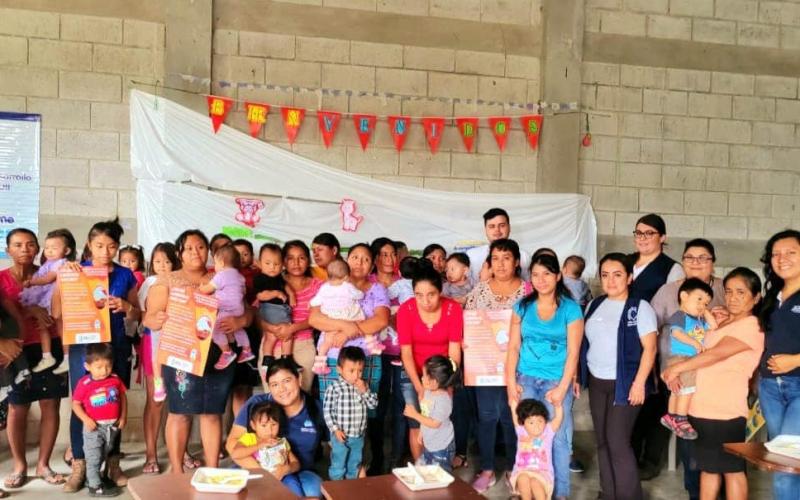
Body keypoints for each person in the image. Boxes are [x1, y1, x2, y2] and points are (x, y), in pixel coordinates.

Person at [143, 230, 251, 474]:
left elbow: (246, 311)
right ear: (179, 253)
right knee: (180, 413)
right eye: (189, 248)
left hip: (218, 356)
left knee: (212, 413)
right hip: (180, 354)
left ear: (209, 252)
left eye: (201, 247)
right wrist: (156, 318)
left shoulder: (222, 276)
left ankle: (212, 470)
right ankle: (178, 473)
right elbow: (148, 318)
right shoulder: (167, 281)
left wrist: (240, 321)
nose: (195, 252)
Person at [52, 219, 140, 492]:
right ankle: (80, 465)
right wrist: (62, 279)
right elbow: (56, 312)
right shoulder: (75, 271)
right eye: (99, 245)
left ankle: (112, 464)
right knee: (82, 403)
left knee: (114, 401)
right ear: (89, 244)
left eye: (111, 246)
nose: (105, 252)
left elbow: (138, 314)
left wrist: (126, 306)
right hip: (84, 349)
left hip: (116, 347)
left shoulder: (126, 275)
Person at [662, 268, 764, 500]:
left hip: (725, 411)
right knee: (708, 468)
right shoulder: (723, 323)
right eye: (728, 291)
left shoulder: (752, 326)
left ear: (756, 297)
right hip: (700, 407)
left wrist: (675, 368)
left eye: (741, 292)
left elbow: (714, 354)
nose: (732, 298)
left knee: (732, 470)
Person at [650, 238, 726, 497]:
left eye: (703, 257)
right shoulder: (667, 291)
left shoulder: (725, 290)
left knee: (717, 440)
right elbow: (653, 332)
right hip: (678, 372)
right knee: (688, 436)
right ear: (682, 262)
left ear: (713, 263)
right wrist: (665, 369)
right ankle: (695, 491)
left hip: (716, 379)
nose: (696, 263)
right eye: (689, 258)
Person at [578, 252, 657, 500]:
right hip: (597, 380)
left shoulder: (640, 307)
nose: (611, 281)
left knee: (618, 442)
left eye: (618, 275)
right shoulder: (595, 304)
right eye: (605, 275)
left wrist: (639, 384)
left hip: (625, 383)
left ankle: (629, 496)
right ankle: (608, 492)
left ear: (629, 277)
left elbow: (650, 349)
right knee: (601, 440)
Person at [505, 253, 584, 500]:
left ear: (558, 276)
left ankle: (559, 494)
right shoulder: (523, 306)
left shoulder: (571, 309)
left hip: (555, 382)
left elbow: (573, 353)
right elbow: (513, 347)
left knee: (558, 439)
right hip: (525, 377)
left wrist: (562, 388)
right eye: (536, 274)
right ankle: (526, 489)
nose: (541, 280)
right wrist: (510, 383)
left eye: (547, 274)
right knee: (527, 434)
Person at [309, 243, 390, 474]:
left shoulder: (376, 289)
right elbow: (315, 319)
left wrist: (346, 332)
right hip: (334, 360)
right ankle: (337, 469)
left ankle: (362, 467)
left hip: (365, 357)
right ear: (346, 260)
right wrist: (345, 325)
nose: (359, 263)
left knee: (365, 409)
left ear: (372, 264)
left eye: (366, 259)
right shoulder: (328, 286)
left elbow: (380, 321)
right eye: (355, 257)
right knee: (336, 410)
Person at [2, 228, 68, 492]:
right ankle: (19, 466)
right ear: (8, 250)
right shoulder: (1, 280)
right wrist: (28, 310)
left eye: (30, 244)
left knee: (50, 404)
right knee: (18, 407)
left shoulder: (50, 273)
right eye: (18, 245)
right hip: (16, 351)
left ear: (38, 248)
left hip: (49, 347)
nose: (25, 249)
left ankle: (43, 464)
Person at [464, 238, 530, 493]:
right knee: (487, 417)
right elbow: (468, 324)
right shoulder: (480, 291)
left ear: (516, 262)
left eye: (506, 258)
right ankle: (488, 468)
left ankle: (515, 468)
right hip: (485, 369)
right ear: (489, 263)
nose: (501, 264)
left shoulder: (528, 292)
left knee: (512, 417)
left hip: (520, 368)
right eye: (495, 259)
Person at [628, 213, 684, 480]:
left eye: (649, 233)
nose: (643, 238)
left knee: (656, 403)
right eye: (639, 233)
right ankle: (630, 455)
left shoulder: (671, 269)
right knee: (632, 402)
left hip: (657, 343)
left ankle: (651, 460)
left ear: (662, 237)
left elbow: (676, 310)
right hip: (628, 344)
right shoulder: (626, 263)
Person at [228, 358, 327, 497]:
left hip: (295, 472)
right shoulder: (258, 405)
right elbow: (232, 446)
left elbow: (337, 442)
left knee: (312, 491)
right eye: (274, 384)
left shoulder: (316, 408)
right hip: (253, 467)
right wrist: (265, 473)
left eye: (287, 381)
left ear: (298, 379)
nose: (282, 389)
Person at [397, 266, 463, 461]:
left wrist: (447, 384)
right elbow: (406, 353)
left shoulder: (453, 309)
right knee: (416, 423)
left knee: (439, 420)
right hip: (414, 374)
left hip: (442, 376)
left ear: (440, 290)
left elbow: (454, 351)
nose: (425, 301)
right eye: (419, 295)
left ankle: (439, 463)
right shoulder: (406, 310)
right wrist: (420, 387)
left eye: (431, 295)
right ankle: (421, 468)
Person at [757, 230, 800, 500]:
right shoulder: (772, 296)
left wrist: (795, 360)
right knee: (783, 461)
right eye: (776, 253)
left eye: (790, 252)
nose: (781, 258)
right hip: (769, 388)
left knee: (785, 465)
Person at [138, 242, 181, 475]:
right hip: (154, 344)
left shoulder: (184, 282)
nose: (162, 266)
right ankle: (151, 454)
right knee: (155, 401)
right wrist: (150, 319)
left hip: (180, 344)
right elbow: (143, 315)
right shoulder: (149, 283)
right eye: (157, 261)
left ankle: (181, 452)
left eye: (167, 261)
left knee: (181, 399)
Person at [261, 240, 322, 392]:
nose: (296, 263)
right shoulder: (271, 281)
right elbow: (257, 314)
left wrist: (292, 328)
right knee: (274, 399)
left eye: (301, 257)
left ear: (308, 260)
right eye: (290, 258)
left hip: (304, 347)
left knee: (300, 398)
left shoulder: (318, 286)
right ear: (283, 262)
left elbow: (320, 318)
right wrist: (272, 328)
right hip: (272, 346)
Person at [661, 279, 718, 440]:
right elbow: (676, 333)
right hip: (682, 358)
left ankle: (670, 416)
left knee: (677, 390)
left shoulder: (699, 320)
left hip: (686, 359)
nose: (702, 304)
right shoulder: (680, 315)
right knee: (688, 389)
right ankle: (681, 419)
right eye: (699, 299)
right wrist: (694, 342)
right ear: (684, 296)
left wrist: (705, 311)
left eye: (706, 302)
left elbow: (713, 326)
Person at [71, 343, 127, 498]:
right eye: (99, 367)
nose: (104, 371)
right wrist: (86, 419)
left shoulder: (115, 379)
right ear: (87, 366)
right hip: (94, 429)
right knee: (93, 457)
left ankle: (95, 478)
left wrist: (123, 416)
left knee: (103, 454)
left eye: (108, 366)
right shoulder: (84, 383)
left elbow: (122, 396)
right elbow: (75, 404)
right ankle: (94, 487)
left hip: (112, 427)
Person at [20, 229, 76, 375]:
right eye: (47, 248)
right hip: (44, 297)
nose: (49, 251)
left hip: (54, 297)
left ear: (67, 250)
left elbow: (48, 279)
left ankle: (67, 357)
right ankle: (47, 355)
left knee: (60, 326)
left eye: (54, 248)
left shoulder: (62, 263)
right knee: (42, 325)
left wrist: (32, 282)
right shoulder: (48, 263)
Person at [323, 346, 379, 480]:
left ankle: (351, 490)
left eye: (360, 370)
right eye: (352, 370)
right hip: (340, 436)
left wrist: (365, 391)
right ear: (339, 369)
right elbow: (327, 411)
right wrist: (335, 429)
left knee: (354, 465)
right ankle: (336, 490)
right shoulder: (335, 388)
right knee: (338, 464)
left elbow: (373, 405)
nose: (356, 375)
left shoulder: (363, 386)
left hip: (358, 436)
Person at [197, 243, 254, 369]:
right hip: (239, 309)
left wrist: (201, 287)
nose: (215, 267)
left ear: (221, 263)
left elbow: (207, 289)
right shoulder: (240, 276)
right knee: (237, 329)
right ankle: (247, 349)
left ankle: (226, 352)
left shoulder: (221, 275)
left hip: (225, 307)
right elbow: (243, 292)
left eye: (216, 263)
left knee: (214, 329)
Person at [231, 401, 303, 496]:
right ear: (253, 425)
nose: (269, 430)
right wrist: (259, 445)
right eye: (264, 425)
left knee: (293, 483)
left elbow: (296, 464)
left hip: (281, 476)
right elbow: (235, 454)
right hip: (257, 477)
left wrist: (286, 469)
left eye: (273, 425)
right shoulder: (250, 438)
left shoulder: (281, 442)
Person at [312, 260, 369, 375]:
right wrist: (361, 293)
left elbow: (315, 301)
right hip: (347, 316)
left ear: (328, 276)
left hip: (331, 319)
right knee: (362, 320)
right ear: (347, 277)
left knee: (326, 343)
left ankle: (319, 364)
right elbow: (359, 295)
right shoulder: (347, 286)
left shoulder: (324, 287)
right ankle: (372, 343)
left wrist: (310, 304)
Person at [403, 355, 458, 471]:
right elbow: (426, 413)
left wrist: (414, 415)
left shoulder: (443, 400)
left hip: (442, 448)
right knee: (427, 473)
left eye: (424, 376)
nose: (422, 378)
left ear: (434, 382)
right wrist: (422, 432)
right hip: (430, 444)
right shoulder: (428, 392)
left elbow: (434, 423)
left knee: (440, 477)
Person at [508, 398, 563, 500]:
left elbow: (558, 419)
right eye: (531, 422)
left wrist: (557, 405)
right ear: (523, 423)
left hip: (543, 473)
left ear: (545, 421)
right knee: (522, 478)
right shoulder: (521, 431)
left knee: (535, 482)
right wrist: (514, 402)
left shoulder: (548, 432)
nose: (536, 425)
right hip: (522, 471)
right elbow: (515, 415)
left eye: (540, 421)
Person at [255, 243, 296, 371]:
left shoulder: (280, 278)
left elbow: (286, 287)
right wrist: (276, 293)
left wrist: (291, 294)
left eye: (276, 264)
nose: (272, 267)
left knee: (288, 335)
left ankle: (286, 358)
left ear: (282, 265)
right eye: (267, 263)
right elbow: (261, 296)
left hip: (283, 312)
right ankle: (267, 358)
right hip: (269, 310)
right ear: (260, 263)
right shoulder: (260, 278)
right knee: (270, 336)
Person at [467, 208, 531, 282]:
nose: (497, 230)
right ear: (485, 230)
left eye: (502, 225)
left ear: (509, 227)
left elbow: (528, 285)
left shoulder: (524, 256)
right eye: (492, 226)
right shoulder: (471, 255)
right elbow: (463, 288)